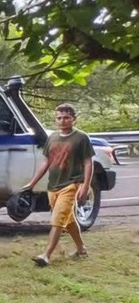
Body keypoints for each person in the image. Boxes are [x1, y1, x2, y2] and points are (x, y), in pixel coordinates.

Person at [22, 103, 93, 267]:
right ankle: (81, 249)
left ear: (74, 119)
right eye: (59, 118)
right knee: (68, 220)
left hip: (72, 184)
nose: (62, 121)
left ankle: (46, 255)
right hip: (53, 185)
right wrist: (32, 183)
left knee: (57, 220)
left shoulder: (81, 138)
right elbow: (46, 161)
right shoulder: (52, 137)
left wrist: (85, 186)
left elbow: (88, 163)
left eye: (67, 117)